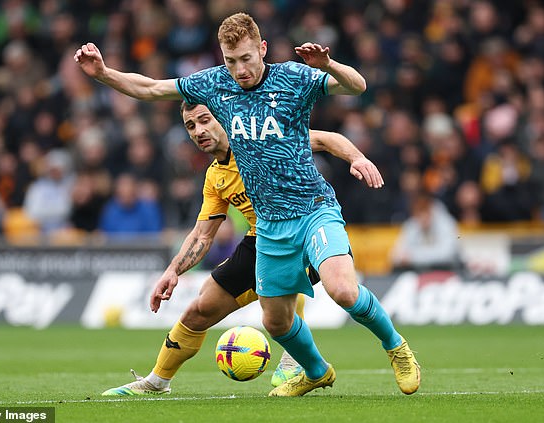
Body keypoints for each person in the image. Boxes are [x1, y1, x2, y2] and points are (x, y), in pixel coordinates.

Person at [75, 12, 420, 396]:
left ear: (262, 49)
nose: (239, 70)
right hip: (270, 227)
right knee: (274, 323)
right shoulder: (215, 87)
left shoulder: (293, 77)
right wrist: (104, 74)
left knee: (343, 291)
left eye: (246, 58)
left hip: (313, 208)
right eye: (230, 60)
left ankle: (397, 348)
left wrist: (330, 69)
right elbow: (152, 88)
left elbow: (357, 87)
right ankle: (315, 371)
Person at [101, 102, 383, 396]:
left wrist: (357, 158)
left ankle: (298, 360)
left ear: (224, 119)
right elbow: (202, 235)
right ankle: (156, 382)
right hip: (261, 237)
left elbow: (325, 139)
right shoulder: (215, 176)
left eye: (204, 120)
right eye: (191, 126)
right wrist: (172, 271)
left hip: (304, 225)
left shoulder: (260, 140)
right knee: (201, 309)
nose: (199, 131)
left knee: (305, 293)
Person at [390, 192, 460, 271]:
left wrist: (413, 257)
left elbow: (447, 254)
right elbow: (395, 256)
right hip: (419, 273)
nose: (423, 218)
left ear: (431, 211)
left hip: (448, 272)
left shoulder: (446, 223)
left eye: (426, 213)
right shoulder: (412, 225)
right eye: (419, 214)